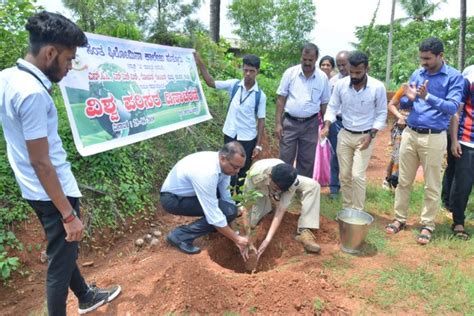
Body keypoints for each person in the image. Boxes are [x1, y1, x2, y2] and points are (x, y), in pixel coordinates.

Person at [0, 11, 121, 315]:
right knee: (60, 261)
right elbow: (41, 162)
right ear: (50, 52)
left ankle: (85, 296)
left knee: (63, 252)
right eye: (68, 60)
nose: (69, 68)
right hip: (53, 193)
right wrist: (68, 214)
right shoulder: (32, 94)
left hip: (34, 190)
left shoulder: (8, 78)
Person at [386, 37, 464, 245]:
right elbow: (406, 101)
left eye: (428, 59)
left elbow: (452, 107)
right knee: (404, 180)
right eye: (421, 59)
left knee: (432, 184)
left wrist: (427, 97)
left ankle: (428, 224)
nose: (423, 63)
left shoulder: (454, 77)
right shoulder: (418, 73)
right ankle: (399, 218)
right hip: (410, 133)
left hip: (434, 136)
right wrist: (407, 99)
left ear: (441, 56)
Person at [321, 51, 387, 211]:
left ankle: (357, 212)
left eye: (359, 72)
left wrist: (371, 135)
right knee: (344, 176)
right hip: (344, 134)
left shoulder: (377, 87)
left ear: (367, 69)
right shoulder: (341, 85)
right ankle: (347, 210)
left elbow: (381, 114)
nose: (355, 76)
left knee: (357, 175)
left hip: (365, 137)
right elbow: (332, 106)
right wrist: (327, 125)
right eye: (352, 72)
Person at [160, 141, 249, 255]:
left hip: (191, 194)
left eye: (240, 168)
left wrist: (232, 229)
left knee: (230, 210)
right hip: (173, 199)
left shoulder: (222, 166)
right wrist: (237, 239)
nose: (237, 171)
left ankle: (215, 229)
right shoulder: (207, 173)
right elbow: (214, 215)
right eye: (235, 167)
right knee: (225, 213)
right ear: (223, 159)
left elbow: (226, 197)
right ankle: (180, 236)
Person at [194, 53, 266, 191]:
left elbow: (261, 120)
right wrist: (200, 63)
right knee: (226, 164)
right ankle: (224, 194)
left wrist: (258, 146)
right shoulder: (233, 85)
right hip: (230, 133)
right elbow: (211, 82)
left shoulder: (260, 95)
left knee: (242, 168)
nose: (248, 74)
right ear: (242, 69)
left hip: (248, 137)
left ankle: (237, 200)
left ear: (258, 72)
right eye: (245, 70)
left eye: (252, 71)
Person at [240, 159, 321, 258]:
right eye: (276, 188)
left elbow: (280, 210)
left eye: (281, 190)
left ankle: (305, 230)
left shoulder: (291, 180)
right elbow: (246, 209)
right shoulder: (255, 175)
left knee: (313, 186)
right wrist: (248, 238)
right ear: (270, 177)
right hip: (261, 187)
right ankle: (268, 203)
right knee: (253, 221)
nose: (279, 190)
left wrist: (267, 240)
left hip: (280, 181)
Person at [275, 43, 331, 178]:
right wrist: (278, 123)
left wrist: (326, 125)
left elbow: (325, 104)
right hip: (289, 122)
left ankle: (301, 191)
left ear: (316, 58)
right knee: (285, 158)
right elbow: (281, 99)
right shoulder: (290, 73)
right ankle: (283, 190)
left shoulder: (322, 78)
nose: (306, 62)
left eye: (310, 60)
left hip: (311, 124)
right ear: (301, 57)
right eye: (304, 59)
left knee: (307, 160)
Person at [447, 66, 473, 240]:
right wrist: (454, 140)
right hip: (467, 138)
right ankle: (458, 222)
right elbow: (457, 111)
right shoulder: (470, 77)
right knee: (463, 183)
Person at [327, 51, 350, 198]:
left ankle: (350, 188)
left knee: (352, 157)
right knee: (335, 155)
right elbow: (329, 104)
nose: (341, 68)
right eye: (339, 65)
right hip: (337, 122)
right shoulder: (333, 82)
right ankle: (334, 188)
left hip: (354, 125)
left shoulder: (360, 80)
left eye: (344, 64)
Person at [383, 84, 410, 191]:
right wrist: (400, 117)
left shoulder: (429, 89)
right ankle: (388, 178)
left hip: (416, 126)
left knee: (408, 156)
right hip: (401, 125)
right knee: (397, 153)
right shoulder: (405, 87)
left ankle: (402, 182)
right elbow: (391, 105)